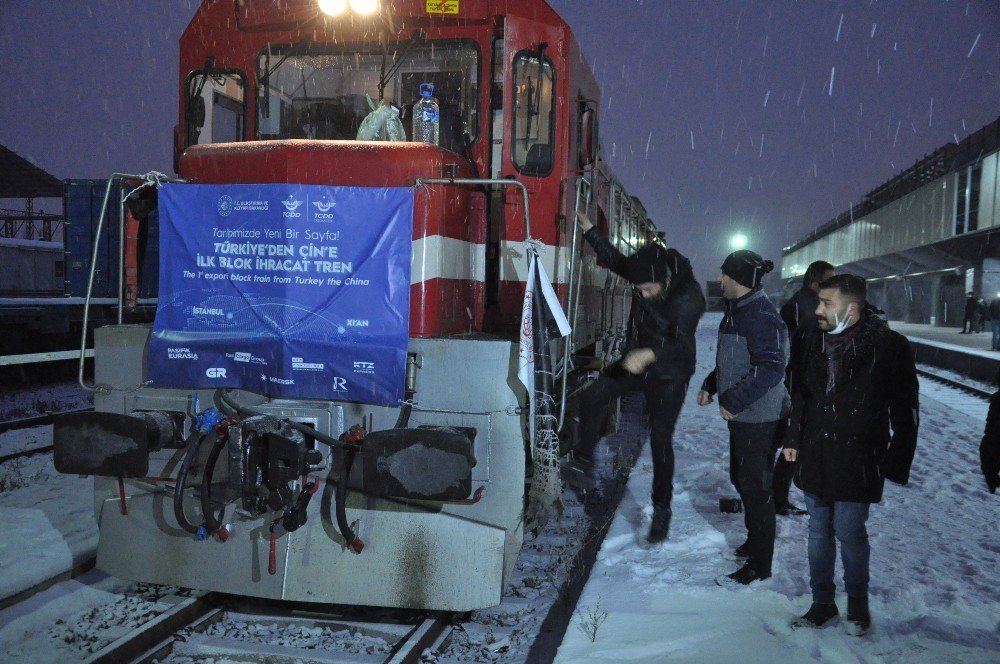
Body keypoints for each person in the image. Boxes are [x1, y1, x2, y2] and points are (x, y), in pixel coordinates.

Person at [782, 274, 918, 636]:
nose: (818, 309)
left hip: (859, 455)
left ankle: (857, 604)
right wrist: (793, 436)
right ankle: (822, 603)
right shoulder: (811, 339)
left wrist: (897, 461)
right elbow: (800, 394)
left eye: (827, 302)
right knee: (817, 530)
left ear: (852, 308)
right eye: (819, 301)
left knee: (849, 531)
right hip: (816, 449)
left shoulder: (889, 347)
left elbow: (906, 409)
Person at [575, 211, 705, 543]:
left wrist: (649, 353)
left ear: (663, 279)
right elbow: (617, 261)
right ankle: (582, 466)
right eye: (640, 289)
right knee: (591, 396)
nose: (643, 295)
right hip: (638, 361)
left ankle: (662, 510)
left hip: (670, 372)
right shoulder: (646, 271)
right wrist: (591, 232)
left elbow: (681, 343)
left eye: (648, 290)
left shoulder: (689, 298)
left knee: (660, 440)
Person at [697, 250, 789, 585]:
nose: (719, 280)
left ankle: (761, 564)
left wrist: (734, 399)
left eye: (724, 275)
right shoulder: (739, 310)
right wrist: (712, 383)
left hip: (759, 416)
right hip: (745, 415)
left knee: (755, 486)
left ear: (740, 280)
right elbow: (734, 361)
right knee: (742, 479)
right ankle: (755, 542)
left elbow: (771, 367)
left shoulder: (761, 315)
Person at [775, 260, 835, 516]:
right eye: (828, 279)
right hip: (798, 381)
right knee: (792, 439)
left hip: (804, 379)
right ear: (814, 280)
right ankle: (775, 495)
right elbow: (788, 347)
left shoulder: (805, 304)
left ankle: (777, 494)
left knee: (794, 440)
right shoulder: (799, 307)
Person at [982, 369, 999, 493]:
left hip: (994, 438)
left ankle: (992, 480)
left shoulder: (997, 399)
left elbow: (992, 421)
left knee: (987, 453)